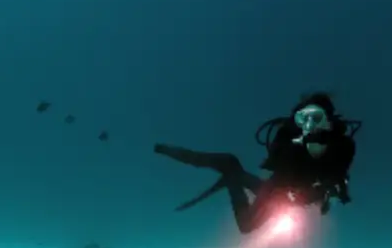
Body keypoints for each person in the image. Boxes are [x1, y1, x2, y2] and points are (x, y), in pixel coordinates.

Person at [154, 92, 360, 234]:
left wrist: (331, 192)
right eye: (302, 118)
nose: (308, 124)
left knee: (245, 226)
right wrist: (297, 149)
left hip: (291, 198)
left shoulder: (344, 146)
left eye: (316, 117)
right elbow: (276, 164)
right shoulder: (287, 136)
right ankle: (223, 166)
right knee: (247, 225)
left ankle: (231, 171)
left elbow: (338, 177)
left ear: (329, 121)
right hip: (276, 191)